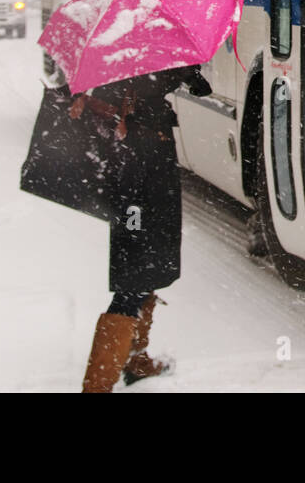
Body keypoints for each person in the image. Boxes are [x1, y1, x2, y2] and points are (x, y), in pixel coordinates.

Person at [77, 64, 212, 393]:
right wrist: (190, 73)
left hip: (144, 173)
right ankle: (97, 386)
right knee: (133, 277)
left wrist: (189, 76)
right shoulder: (143, 62)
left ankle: (136, 359)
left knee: (146, 266)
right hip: (140, 177)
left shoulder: (125, 54)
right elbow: (166, 83)